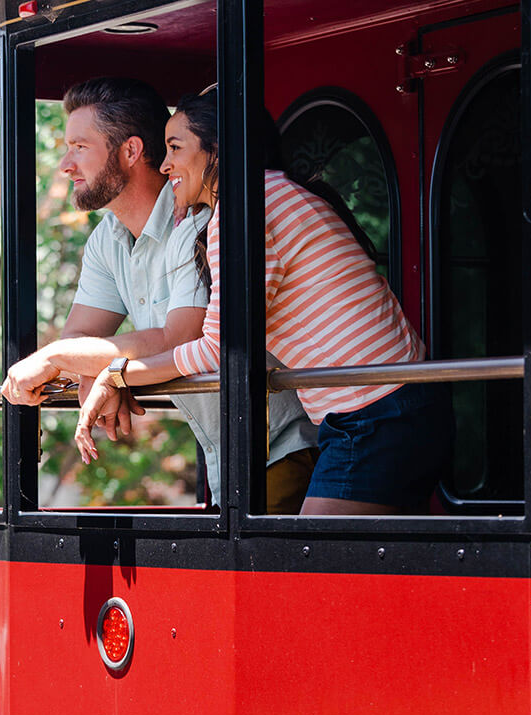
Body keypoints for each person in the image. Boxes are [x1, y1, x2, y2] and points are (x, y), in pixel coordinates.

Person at [74, 88, 454, 516]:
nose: (165, 165)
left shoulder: (244, 210)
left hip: (378, 414)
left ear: (218, 149)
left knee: (309, 574)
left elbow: (218, 350)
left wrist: (118, 375)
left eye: (176, 148)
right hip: (384, 408)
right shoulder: (267, 194)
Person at [1, 77, 317, 511]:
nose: (65, 164)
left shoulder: (200, 219)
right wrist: (100, 371)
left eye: (79, 146)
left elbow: (178, 339)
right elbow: (80, 338)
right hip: (227, 462)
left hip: (283, 445)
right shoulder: (106, 239)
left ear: (130, 151)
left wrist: (85, 364)